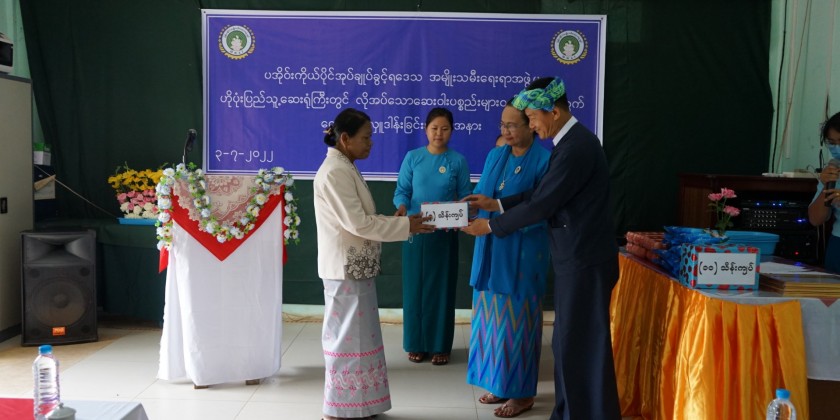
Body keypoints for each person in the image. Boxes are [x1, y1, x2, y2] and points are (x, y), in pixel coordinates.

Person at [462, 77, 621, 420]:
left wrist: (491, 225)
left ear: (555, 112)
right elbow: (540, 193)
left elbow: (542, 204)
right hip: (575, 257)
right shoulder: (569, 144)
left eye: (533, 117)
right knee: (568, 343)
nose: (531, 125)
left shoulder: (576, 147)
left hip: (584, 258)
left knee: (579, 344)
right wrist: (497, 204)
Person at [313, 108, 434, 420]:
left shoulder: (345, 166)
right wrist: (406, 226)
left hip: (354, 266)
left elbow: (361, 220)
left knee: (359, 338)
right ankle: (337, 410)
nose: (371, 144)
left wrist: (401, 223)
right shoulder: (335, 171)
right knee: (346, 340)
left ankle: (360, 406)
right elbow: (358, 223)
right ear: (345, 138)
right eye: (365, 138)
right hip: (344, 268)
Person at [467, 101, 551, 418]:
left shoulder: (544, 161)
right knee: (491, 321)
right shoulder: (496, 155)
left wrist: (494, 217)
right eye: (502, 125)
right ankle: (499, 384)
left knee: (518, 324)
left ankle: (522, 394)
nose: (506, 131)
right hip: (490, 249)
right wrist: (469, 207)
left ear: (531, 125)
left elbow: (540, 210)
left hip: (522, 255)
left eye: (512, 125)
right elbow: (483, 193)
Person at [393, 107, 472, 366]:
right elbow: (402, 191)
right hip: (415, 231)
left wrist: (461, 213)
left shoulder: (457, 161)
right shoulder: (413, 157)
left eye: (445, 128)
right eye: (434, 128)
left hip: (444, 235)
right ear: (426, 129)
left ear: (452, 131)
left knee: (442, 289)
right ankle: (415, 344)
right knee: (414, 289)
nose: (439, 133)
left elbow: (465, 197)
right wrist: (401, 207)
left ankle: (440, 346)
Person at [808, 111, 840, 273]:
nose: (837, 148)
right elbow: (815, 219)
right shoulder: (832, 171)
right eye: (832, 143)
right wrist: (824, 185)